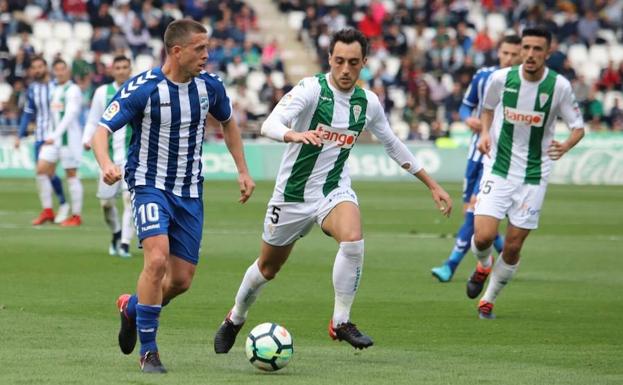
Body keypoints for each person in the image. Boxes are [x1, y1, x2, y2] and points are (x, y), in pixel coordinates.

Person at [213, 28, 452, 353]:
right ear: (329, 59)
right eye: (339, 61)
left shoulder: (368, 103)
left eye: (353, 62)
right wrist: (293, 135)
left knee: (353, 239)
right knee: (267, 269)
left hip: (333, 190)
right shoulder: (311, 90)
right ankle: (236, 317)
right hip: (292, 195)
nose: (345, 69)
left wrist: (433, 185)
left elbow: (392, 143)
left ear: (364, 62)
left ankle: (341, 321)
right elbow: (270, 123)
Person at [91, 19, 255, 373]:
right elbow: (101, 132)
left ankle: (132, 308)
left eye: (207, 48)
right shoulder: (144, 88)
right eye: (200, 49)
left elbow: (228, 123)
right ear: (176, 51)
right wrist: (106, 163)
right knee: (156, 260)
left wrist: (242, 169)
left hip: (190, 191)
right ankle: (149, 352)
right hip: (149, 186)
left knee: (180, 281)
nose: (207, 55)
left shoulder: (209, 87)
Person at [467, 27, 585, 319]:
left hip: (534, 175)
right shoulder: (501, 79)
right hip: (499, 167)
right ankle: (483, 265)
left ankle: (488, 300)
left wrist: (567, 145)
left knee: (514, 245)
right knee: (483, 237)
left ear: (547, 52)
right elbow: (488, 108)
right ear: (520, 49)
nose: (531, 54)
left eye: (537, 49)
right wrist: (484, 133)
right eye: (527, 48)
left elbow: (578, 127)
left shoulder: (559, 87)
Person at [431, 35, 522, 282]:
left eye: (515, 54)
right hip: (476, 153)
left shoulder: (526, 85)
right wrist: (467, 118)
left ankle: (450, 266)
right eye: (505, 53)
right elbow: (465, 105)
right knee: (472, 216)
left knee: (474, 212)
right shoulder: (484, 76)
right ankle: (506, 254)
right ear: (499, 52)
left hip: (501, 157)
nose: (509, 58)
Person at [82, 55, 134, 257]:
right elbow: (93, 120)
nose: (121, 70)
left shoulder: (138, 89)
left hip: (132, 156)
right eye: (118, 67)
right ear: (112, 70)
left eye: (125, 67)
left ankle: (125, 243)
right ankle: (116, 233)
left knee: (130, 199)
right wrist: (87, 139)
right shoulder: (103, 92)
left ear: (130, 70)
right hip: (108, 158)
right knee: (106, 203)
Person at [15, 56, 69, 225]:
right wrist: (20, 134)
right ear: (31, 70)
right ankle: (50, 209)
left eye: (40, 66)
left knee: (47, 171)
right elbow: (28, 113)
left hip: (56, 137)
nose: (37, 70)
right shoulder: (32, 89)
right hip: (40, 137)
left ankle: (62, 205)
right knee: (44, 173)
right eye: (34, 67)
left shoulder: (57, 86)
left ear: (46, 67)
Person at [35, 58, 84, 227]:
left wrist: (54, 136)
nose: (59, 72)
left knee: (71, 174)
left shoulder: (73, 90)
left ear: (67, 71)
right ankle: (48, 210)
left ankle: (76, 216)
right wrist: (49, 135)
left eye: (62, 69)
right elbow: (53, 117)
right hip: (53, 139)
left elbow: (70, 116)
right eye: (56, 70)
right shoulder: (55, 90)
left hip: (68, 140)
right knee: (41, 169)